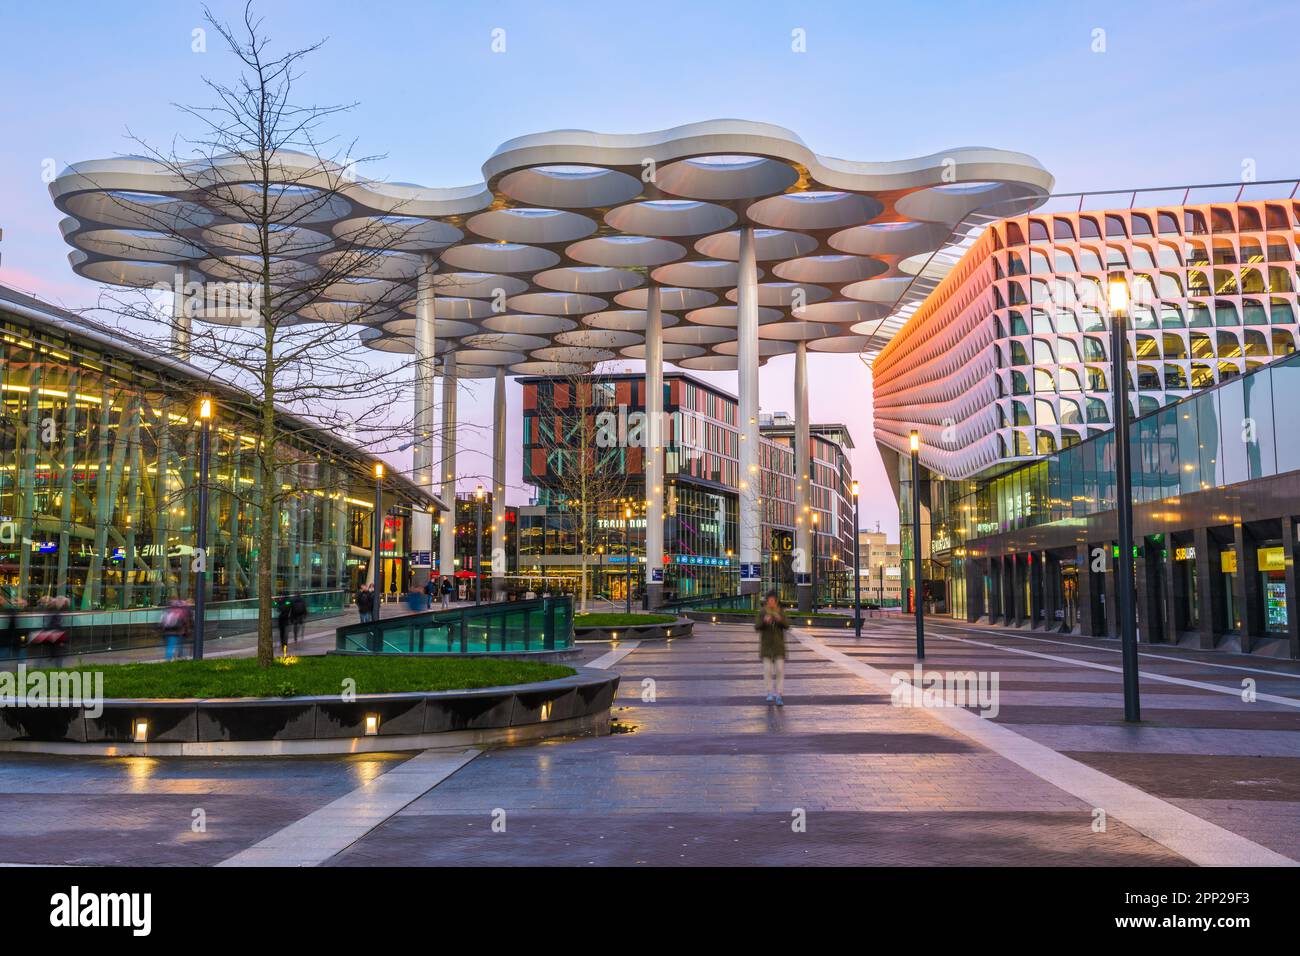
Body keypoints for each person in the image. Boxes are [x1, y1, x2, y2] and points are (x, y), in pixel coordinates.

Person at [754, 590, 789, 706]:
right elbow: (757, 627)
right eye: (769, 601)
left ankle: (779, 694)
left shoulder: (780, 612)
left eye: (773, 601)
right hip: (766, 647)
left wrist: (780, 620)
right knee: (767, 670)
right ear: (767, 601)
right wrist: (764, 621)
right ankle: (769, 692)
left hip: (779, 647)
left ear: (776, 601)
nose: (771, 603)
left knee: (780, 670)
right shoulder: (763, 612)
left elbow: (787, 626)